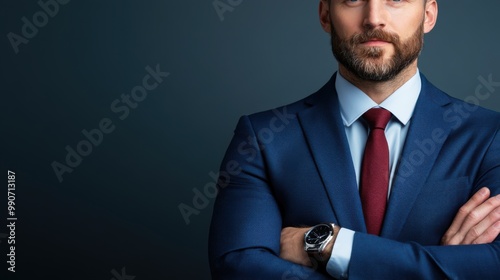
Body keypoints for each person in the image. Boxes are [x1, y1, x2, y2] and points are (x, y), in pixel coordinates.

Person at [209, 0, 500, 279]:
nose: (373, 18)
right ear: (325, 15)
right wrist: (445, 269)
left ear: (428, 15)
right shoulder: (262, 140)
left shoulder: (491, 135)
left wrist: (330, 244)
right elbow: (239, 268)